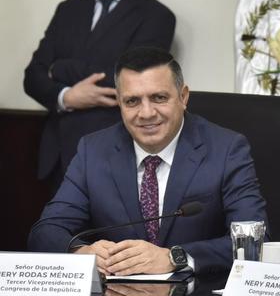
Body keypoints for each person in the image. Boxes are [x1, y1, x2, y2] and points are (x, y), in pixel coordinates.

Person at [28, 47, 267, 274]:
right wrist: (81, 252)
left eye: (159, 97)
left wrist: (175, 257)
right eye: (132, 101)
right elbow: (45, 231)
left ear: (183, 97)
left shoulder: (227, 149)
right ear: (120, 103)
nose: (146, 113)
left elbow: (254, 241)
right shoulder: (93, 150)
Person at [24, 0, 176, 188]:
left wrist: (58, 68)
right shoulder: (68, 9)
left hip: (114, 155)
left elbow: (125, 79)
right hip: (55, 155)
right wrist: (67, 96)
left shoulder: (157, 16)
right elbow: (32, 76)